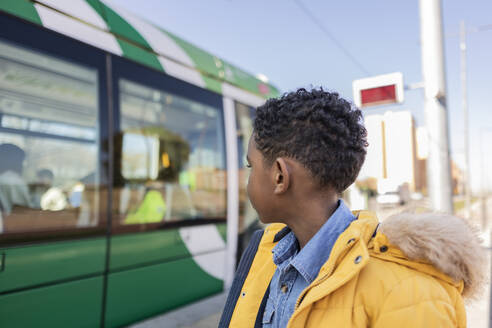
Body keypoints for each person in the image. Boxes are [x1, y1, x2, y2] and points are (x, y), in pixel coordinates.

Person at [219, 88, 486, 327]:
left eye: (250, 166)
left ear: (279, 176)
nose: (247, 180)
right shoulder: (264, 252)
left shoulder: (413, 293)